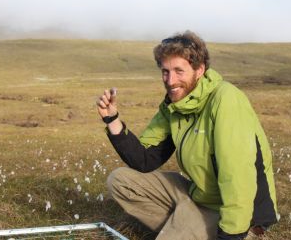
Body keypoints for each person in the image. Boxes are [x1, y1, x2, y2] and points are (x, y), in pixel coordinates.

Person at [96, 31, 278, 240]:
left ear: (199, 70)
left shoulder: (225, 100)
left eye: (178, 71)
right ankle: (183, 224)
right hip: (199, 197)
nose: (170, 80)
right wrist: (112, 120)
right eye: (165, 71)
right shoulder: (175, 105)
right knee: (120, 181)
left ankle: (203, 230)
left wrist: (232, 234)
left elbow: (238, 179)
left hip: (238, 214)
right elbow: (144, 160)